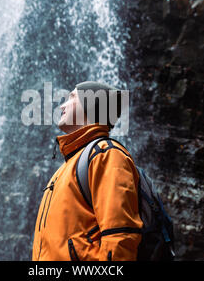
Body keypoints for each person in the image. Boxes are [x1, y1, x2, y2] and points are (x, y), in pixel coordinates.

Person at [31, 81, 143, 261]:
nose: (62, 106)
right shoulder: (68, 166)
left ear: (90, 105)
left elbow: (120, 235)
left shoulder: (106, 155)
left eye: (72, 98)